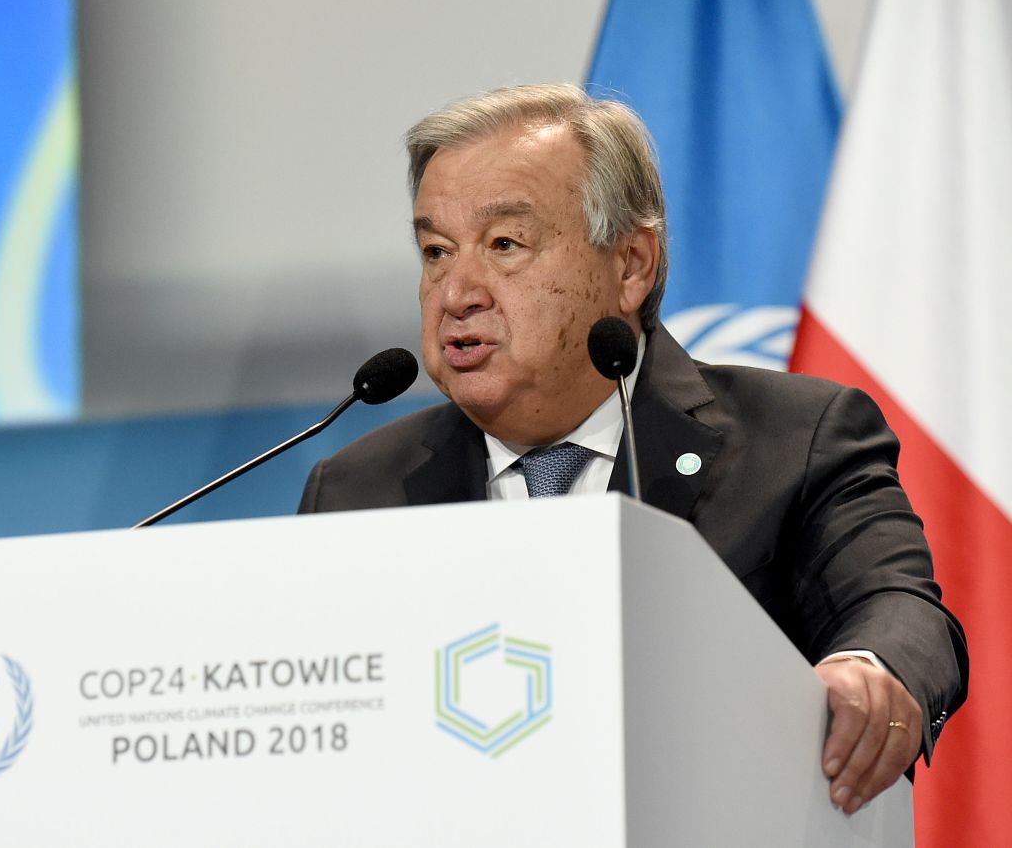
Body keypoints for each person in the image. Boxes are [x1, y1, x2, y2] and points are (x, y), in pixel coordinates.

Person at [298, 83, 967, 814]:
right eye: (435, 251)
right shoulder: (357, 491)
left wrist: (872, 672)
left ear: (630, 266)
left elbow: (899, 607)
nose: (456, 292)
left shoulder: (797, 438)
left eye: (504, 245)